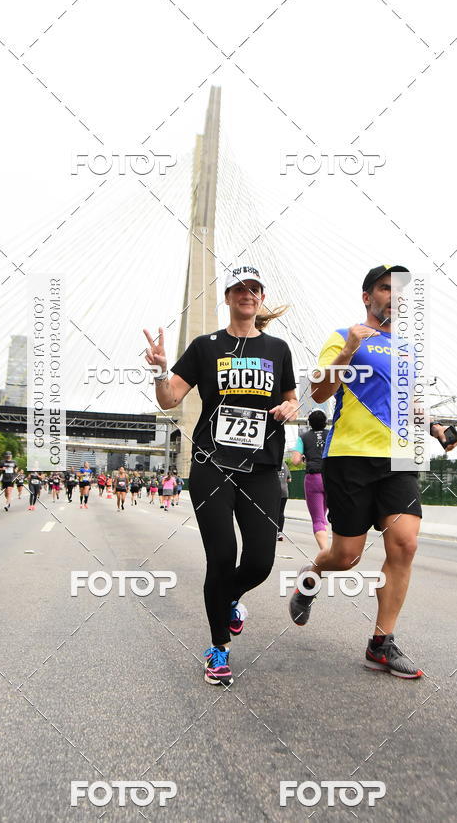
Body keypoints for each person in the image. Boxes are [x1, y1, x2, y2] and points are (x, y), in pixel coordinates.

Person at [288, 264, 457, 679]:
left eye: (400, 290)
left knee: (405, 544)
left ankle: (381, 644)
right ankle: (312, 575)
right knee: (346, 556)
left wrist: (435, 427)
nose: (394, 295)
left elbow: (409, 404)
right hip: (349, 458)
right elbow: (319, 392)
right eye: (385, 288)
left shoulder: (408, 351)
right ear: (367, 297)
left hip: (398, 459)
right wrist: (349, 348)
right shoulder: (342, 336)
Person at [144, 262, 298, 686]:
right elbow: (169, 399)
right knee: (222, 555)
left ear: (261, 297)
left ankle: (228, 599)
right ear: (227, 298)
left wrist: (290, 407)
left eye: (254, 289)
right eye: (239, 289)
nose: (247, 294)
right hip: (212, 464)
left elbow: (291, 397)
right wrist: (159, 371)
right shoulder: (205, 346)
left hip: (261, 466)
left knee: (261, 561)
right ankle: (219, 649)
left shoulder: (278, 349)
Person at [291, 410, 331, 550]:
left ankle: (325, 551)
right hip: (331, 478)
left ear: (309, 423)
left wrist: (304, 458)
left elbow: (295, 461)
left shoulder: (303, 437)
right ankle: (332, 551)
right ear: (325, 422)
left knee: (318, 519)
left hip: (313, 478)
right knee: (326, 515)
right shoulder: (331, 435)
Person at [276, 459, 291, 541]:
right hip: (284, 491)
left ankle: (272, 532)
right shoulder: (285, 464)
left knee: (273, 512)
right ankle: (279, 532)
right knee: (281, 512)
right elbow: (289, 479)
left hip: (274, 490)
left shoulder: (274, 462)